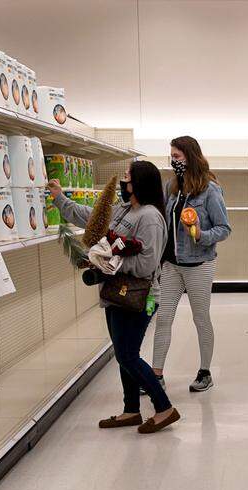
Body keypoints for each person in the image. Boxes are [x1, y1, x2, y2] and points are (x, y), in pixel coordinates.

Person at [48, 160, 180, 434]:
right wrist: (59, 198)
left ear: (139, 183)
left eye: (128, 177)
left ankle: (164, 407)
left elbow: (147, 263)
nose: (123, 181)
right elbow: (90, 217)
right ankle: (131, 410)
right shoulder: (122, 210)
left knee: (128, 355)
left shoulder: (150, 217)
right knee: (123, 355)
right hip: (116, 294)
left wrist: (107, 261)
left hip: (140, 295)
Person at [152, 136, 231, 392]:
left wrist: (200, 235)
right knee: (163, 318)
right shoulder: (171, 187)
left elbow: (224, 228)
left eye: (177, 157)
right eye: (172, 157)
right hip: (171, 264)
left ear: (190, 156)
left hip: (199, 264)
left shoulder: (209, 189)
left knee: (200, 318)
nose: (173, 161)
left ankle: (205, 371)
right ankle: (157, 374)